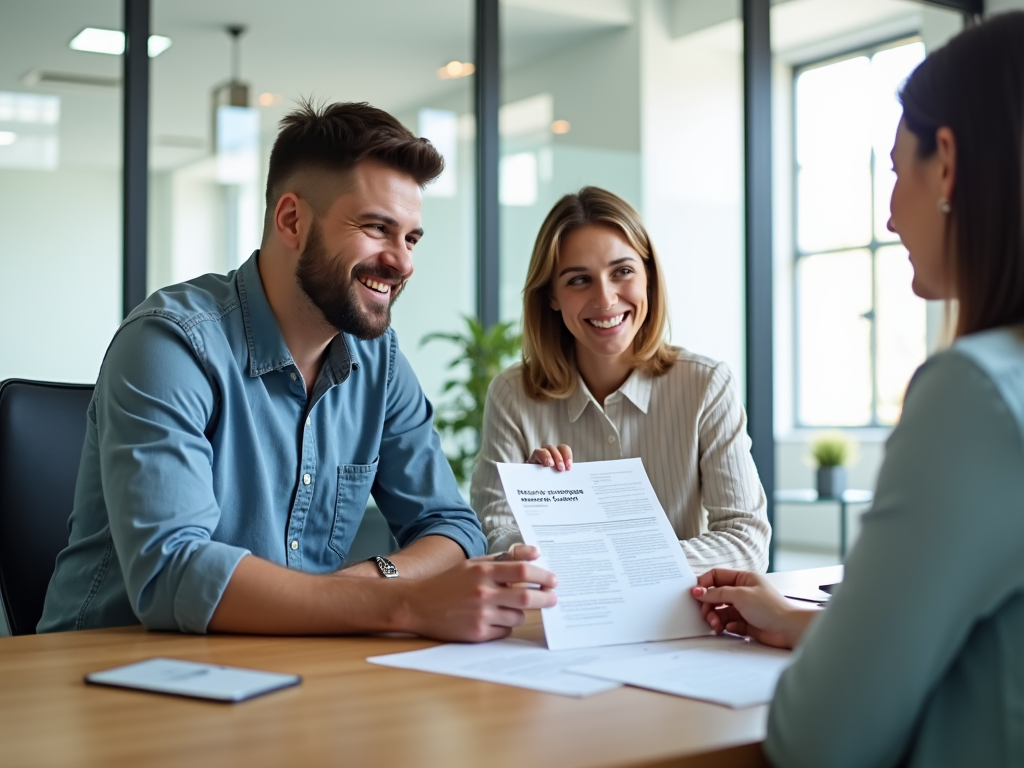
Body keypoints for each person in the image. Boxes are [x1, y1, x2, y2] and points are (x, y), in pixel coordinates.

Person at [38, 101, 556, 640]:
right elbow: (173, 573)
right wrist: (401, 604)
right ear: (291, 220)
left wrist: (373, 582)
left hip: (289, 662)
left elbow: (451, 529)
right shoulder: (170, 345)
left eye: (411, 238)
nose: (402, 262)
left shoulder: (378, 361)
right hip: (107, 671)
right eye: (377, 228)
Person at [691, 13, 1024, 768]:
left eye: (895, 171)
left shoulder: (973, 396)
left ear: (947, 164)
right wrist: (807, 626)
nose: (888, 214)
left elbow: (820, 740)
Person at [471, 187, 770, 572]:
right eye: (579, 280)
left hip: (681, 623)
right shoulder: (513, 394)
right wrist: (538, 509)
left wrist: (616, 559)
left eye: (622, 272)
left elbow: (746, 544)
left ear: (648, 275)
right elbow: (493, 537)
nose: (606, 299)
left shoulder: (707, 386)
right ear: (552, 297)